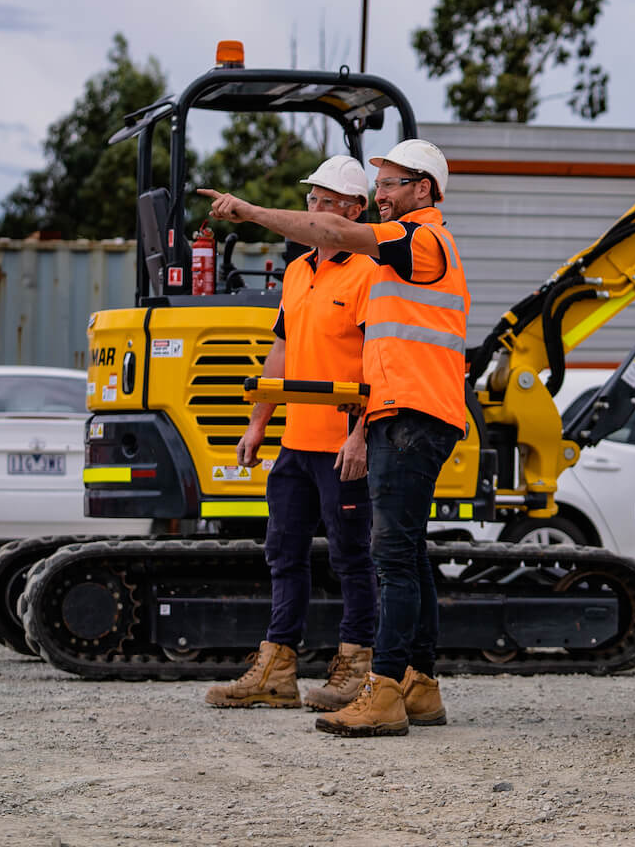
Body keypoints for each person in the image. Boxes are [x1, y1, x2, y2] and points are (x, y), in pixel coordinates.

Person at [199, 137, 468, 738]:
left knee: (387, 558)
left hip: (410, 412)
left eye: (393, 184)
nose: (382, 196)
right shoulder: (391, 251)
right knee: (405, 555)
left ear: (423, 189)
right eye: (379, 185)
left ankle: (384, 689)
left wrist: (249, 212)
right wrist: (264, 421)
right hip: (399, 412)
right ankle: (418, 686)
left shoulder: (416, 240)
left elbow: (338, 235)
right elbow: (293, 346)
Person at [203, 155, 381, 712]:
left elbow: (378, 363)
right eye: (312, 199)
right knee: (283, 552)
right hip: (297, 444)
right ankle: (277, 668)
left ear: (355, 210)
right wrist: (258, 424)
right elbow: (283, 350)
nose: (316, 210)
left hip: (341, 445)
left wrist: (361, 436)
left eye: (328, 202)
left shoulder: (371, 273)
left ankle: (358, 667)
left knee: (352, 556)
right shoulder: (301, 270)